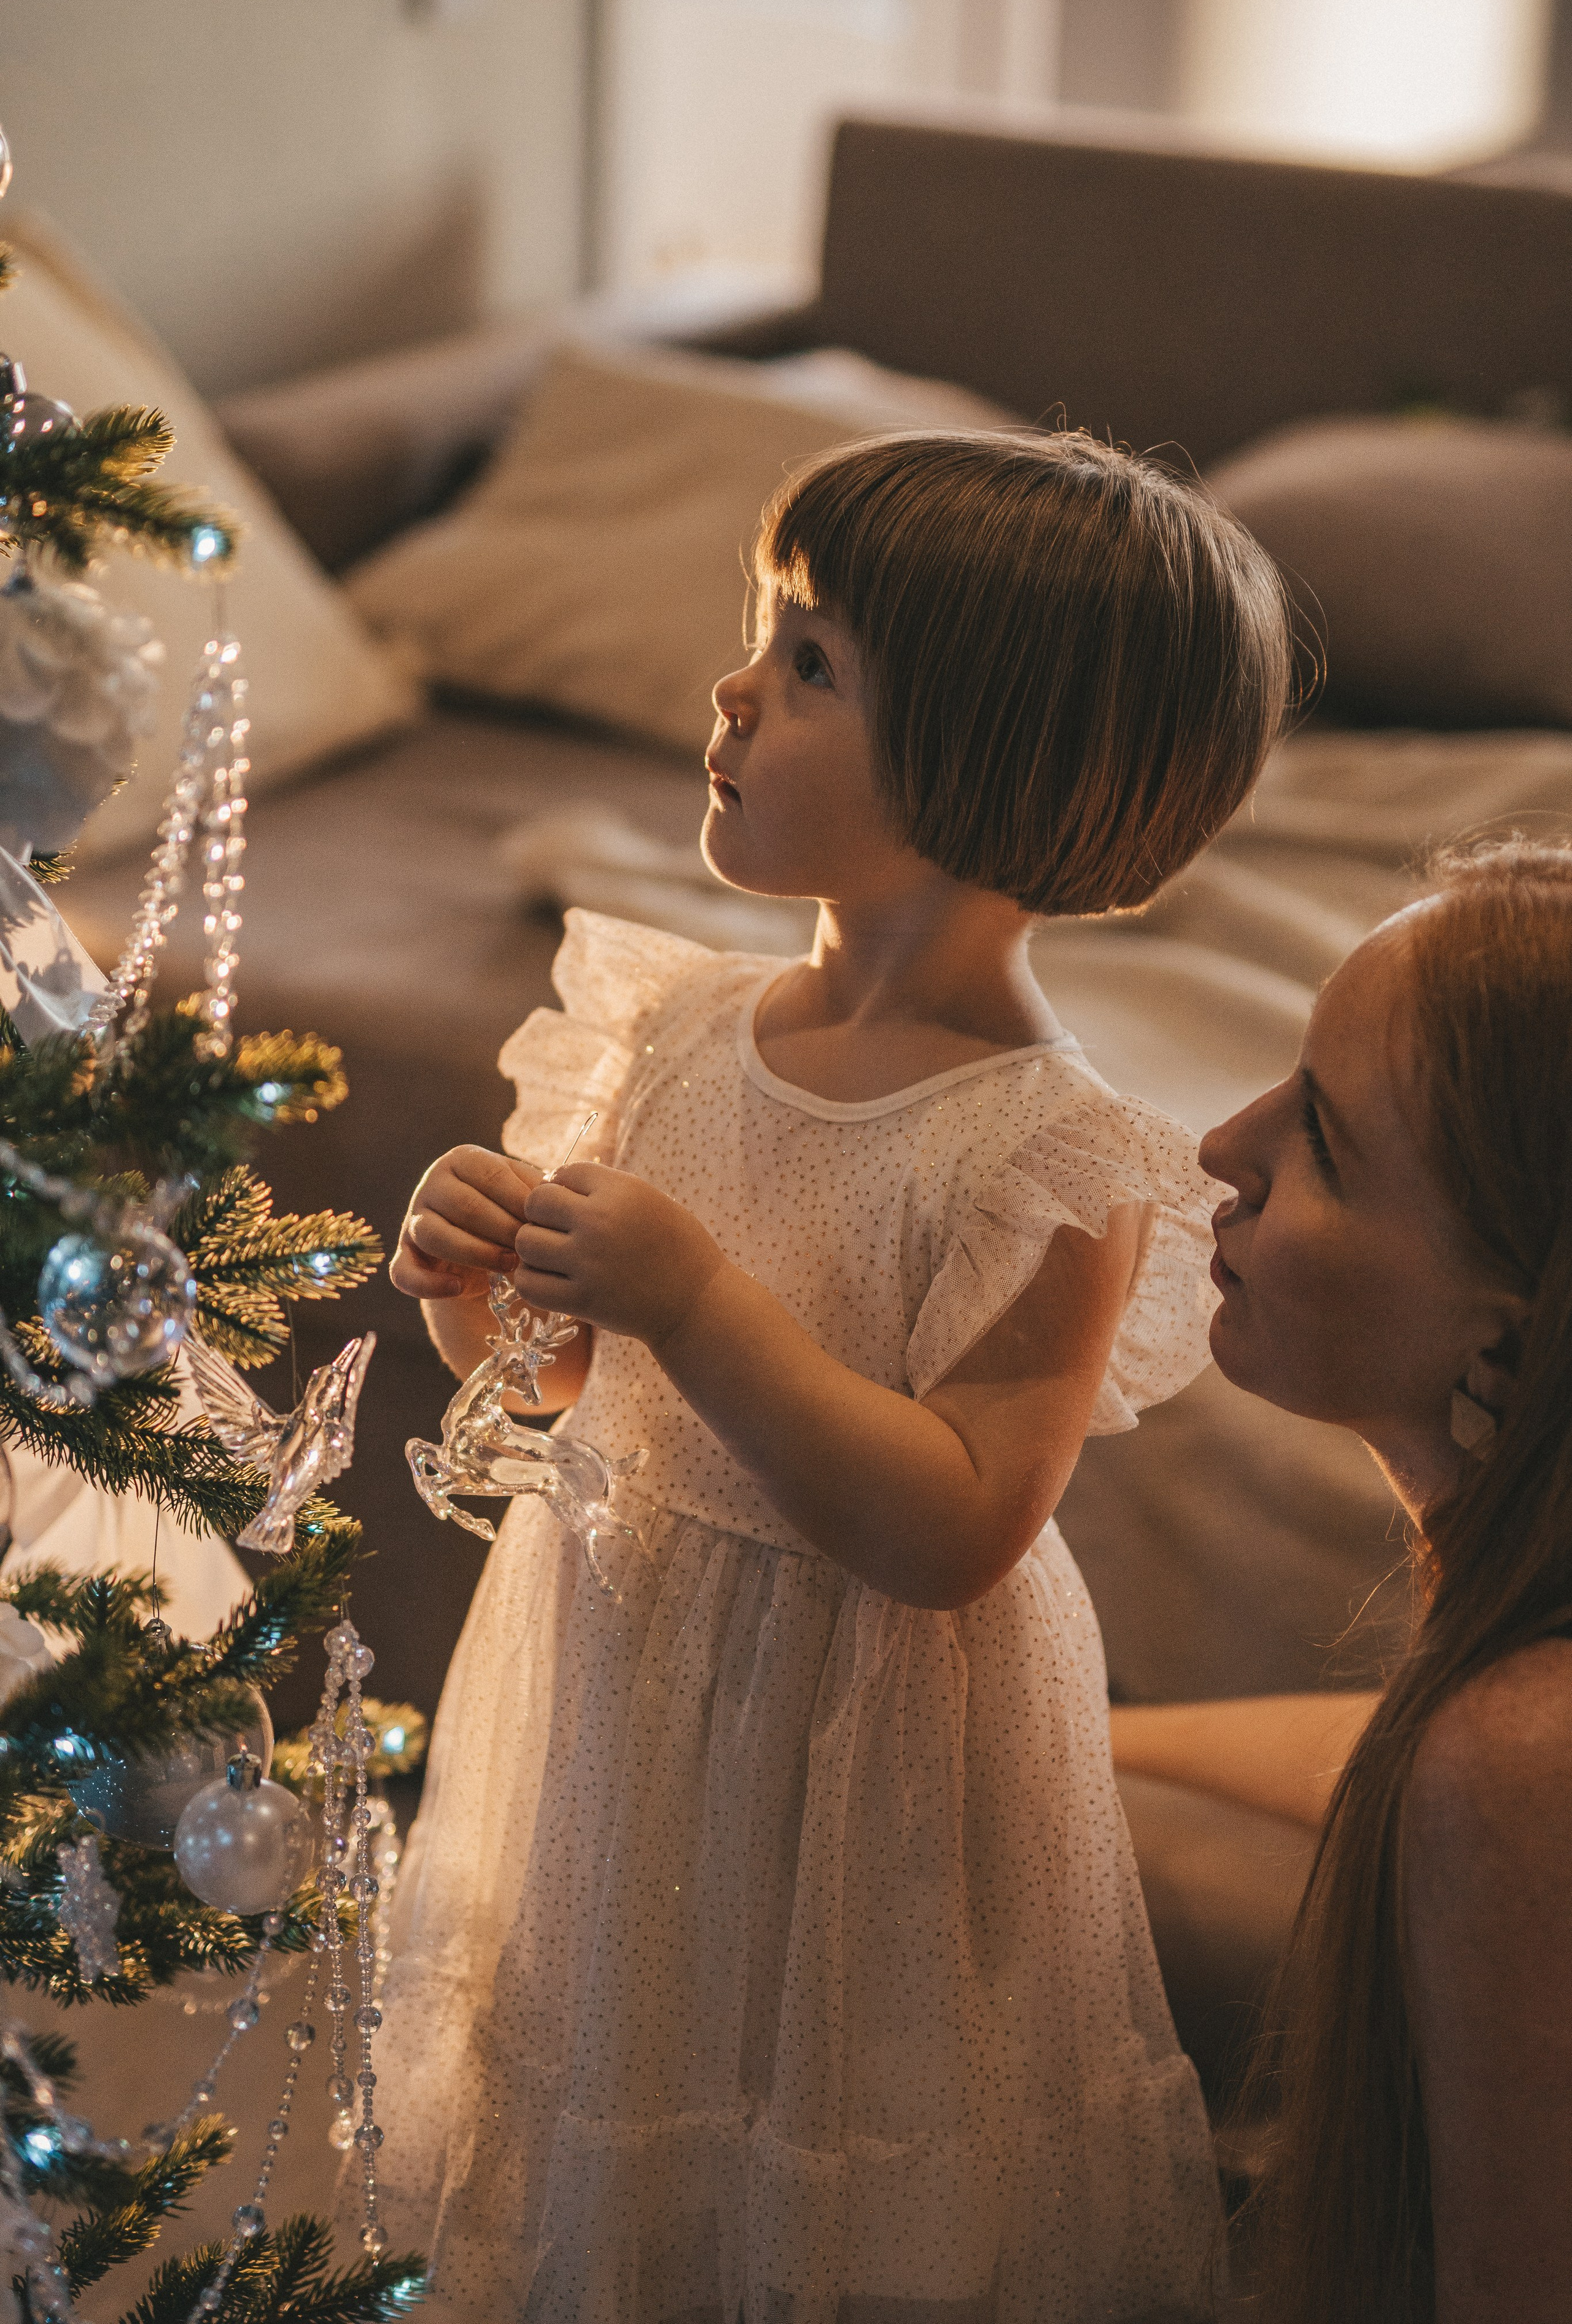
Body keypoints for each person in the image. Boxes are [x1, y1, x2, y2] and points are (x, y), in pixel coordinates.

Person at [377, 429, 1292, 2320]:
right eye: (764, 632)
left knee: (840, 2167)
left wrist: (700, 1297)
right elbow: (571, 1396)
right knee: (618, 2110)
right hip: (637, 1677)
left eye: (813, 665)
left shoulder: (1051, 1156)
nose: (733, 687)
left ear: (993, 754)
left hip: (867, 1738)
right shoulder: (675, 1024)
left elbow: (954, 1524)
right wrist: (484, 1297)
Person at [1111, 841, 1572, 2324]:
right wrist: (1055, 1741)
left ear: (1505, 1339)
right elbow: (1381, 1750)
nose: (1218, 1149)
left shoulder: (1517, 1753)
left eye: (1319, 1137)